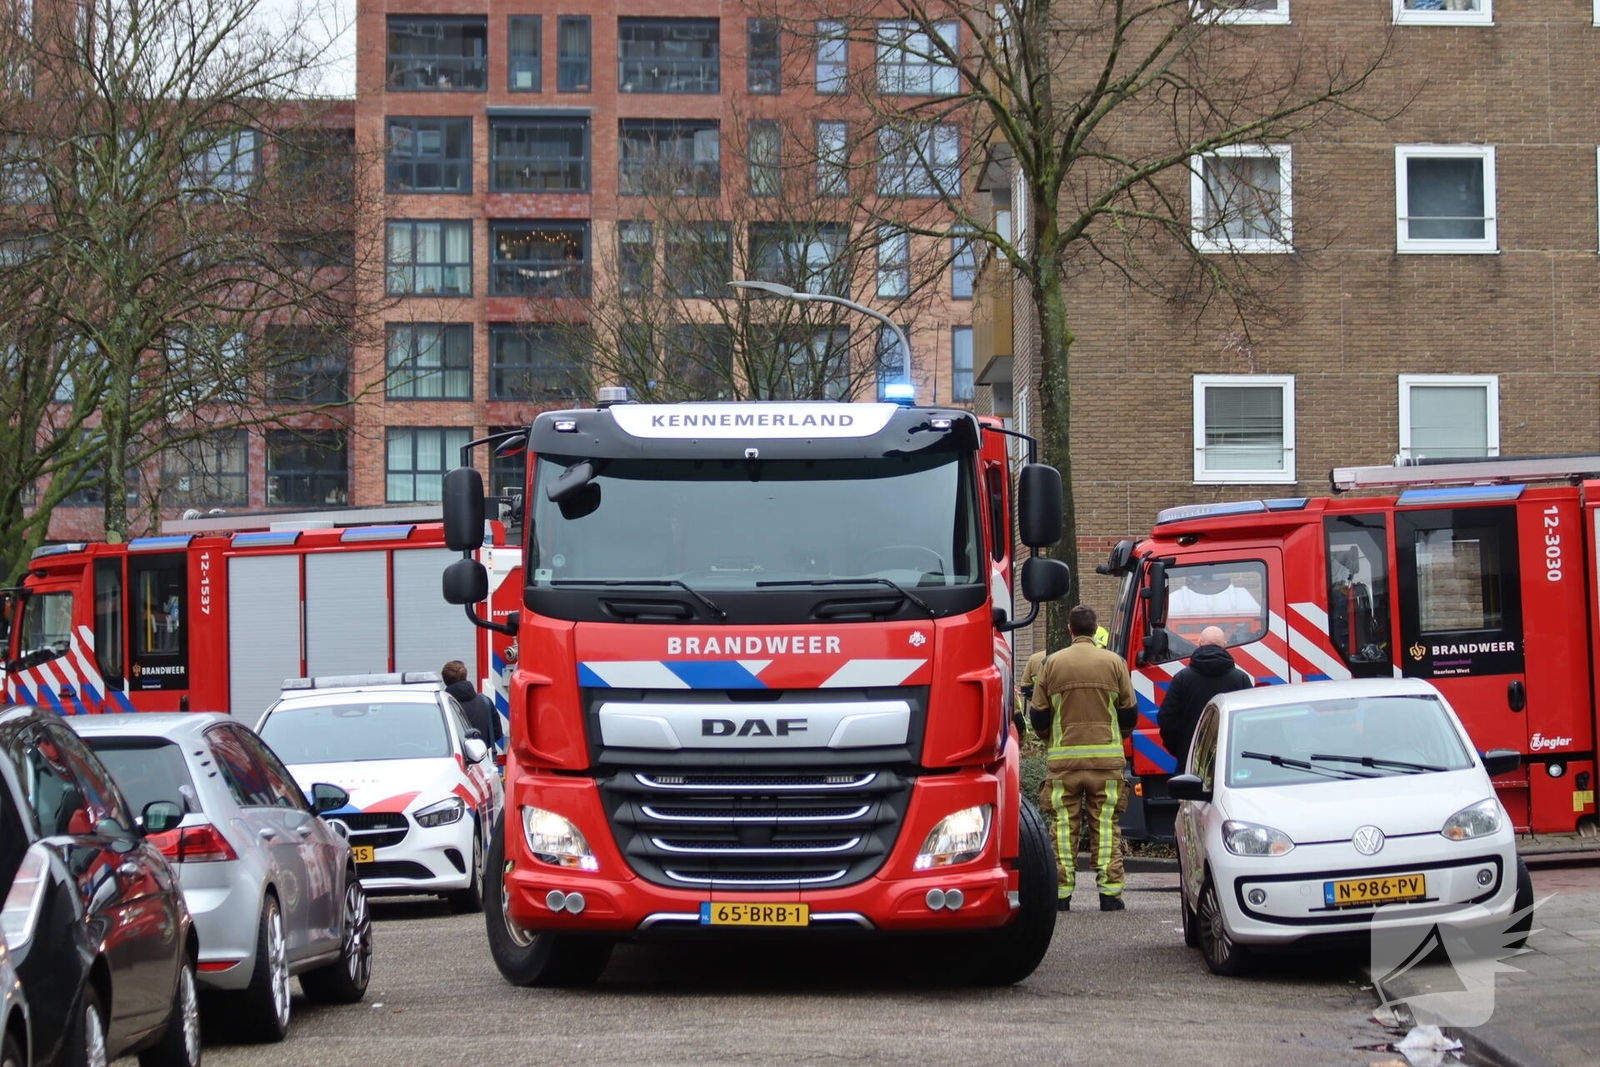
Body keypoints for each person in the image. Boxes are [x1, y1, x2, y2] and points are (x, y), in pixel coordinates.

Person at [1031, 605, 1136, 912]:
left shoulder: (1052, 664)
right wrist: (1118, 738)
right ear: (1095, 629)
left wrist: (1050, 740)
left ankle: (1061, 895)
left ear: (1070, 629)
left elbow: (1038, 714)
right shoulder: (1115, 662)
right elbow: (1129, 712)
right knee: (1105, 826)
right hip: (1106, 762)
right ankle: (1110, 894)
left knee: (1063, 828)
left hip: (1064, 763)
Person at [1157, 625, 1253, 771]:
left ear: (1200, 643)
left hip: (1191, 763)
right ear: (1224, 645)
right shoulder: (1240, 679)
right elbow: (1250, 722)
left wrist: (1183, 749)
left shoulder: (1182, 679)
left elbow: (1167, 718)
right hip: (1231, 764)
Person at [441, 660, 501, 749]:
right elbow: (497, 733)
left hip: (454, 760)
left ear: (445, 681)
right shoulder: (485, 701)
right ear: (465, 676)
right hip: (481, 760)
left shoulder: (442, 708)